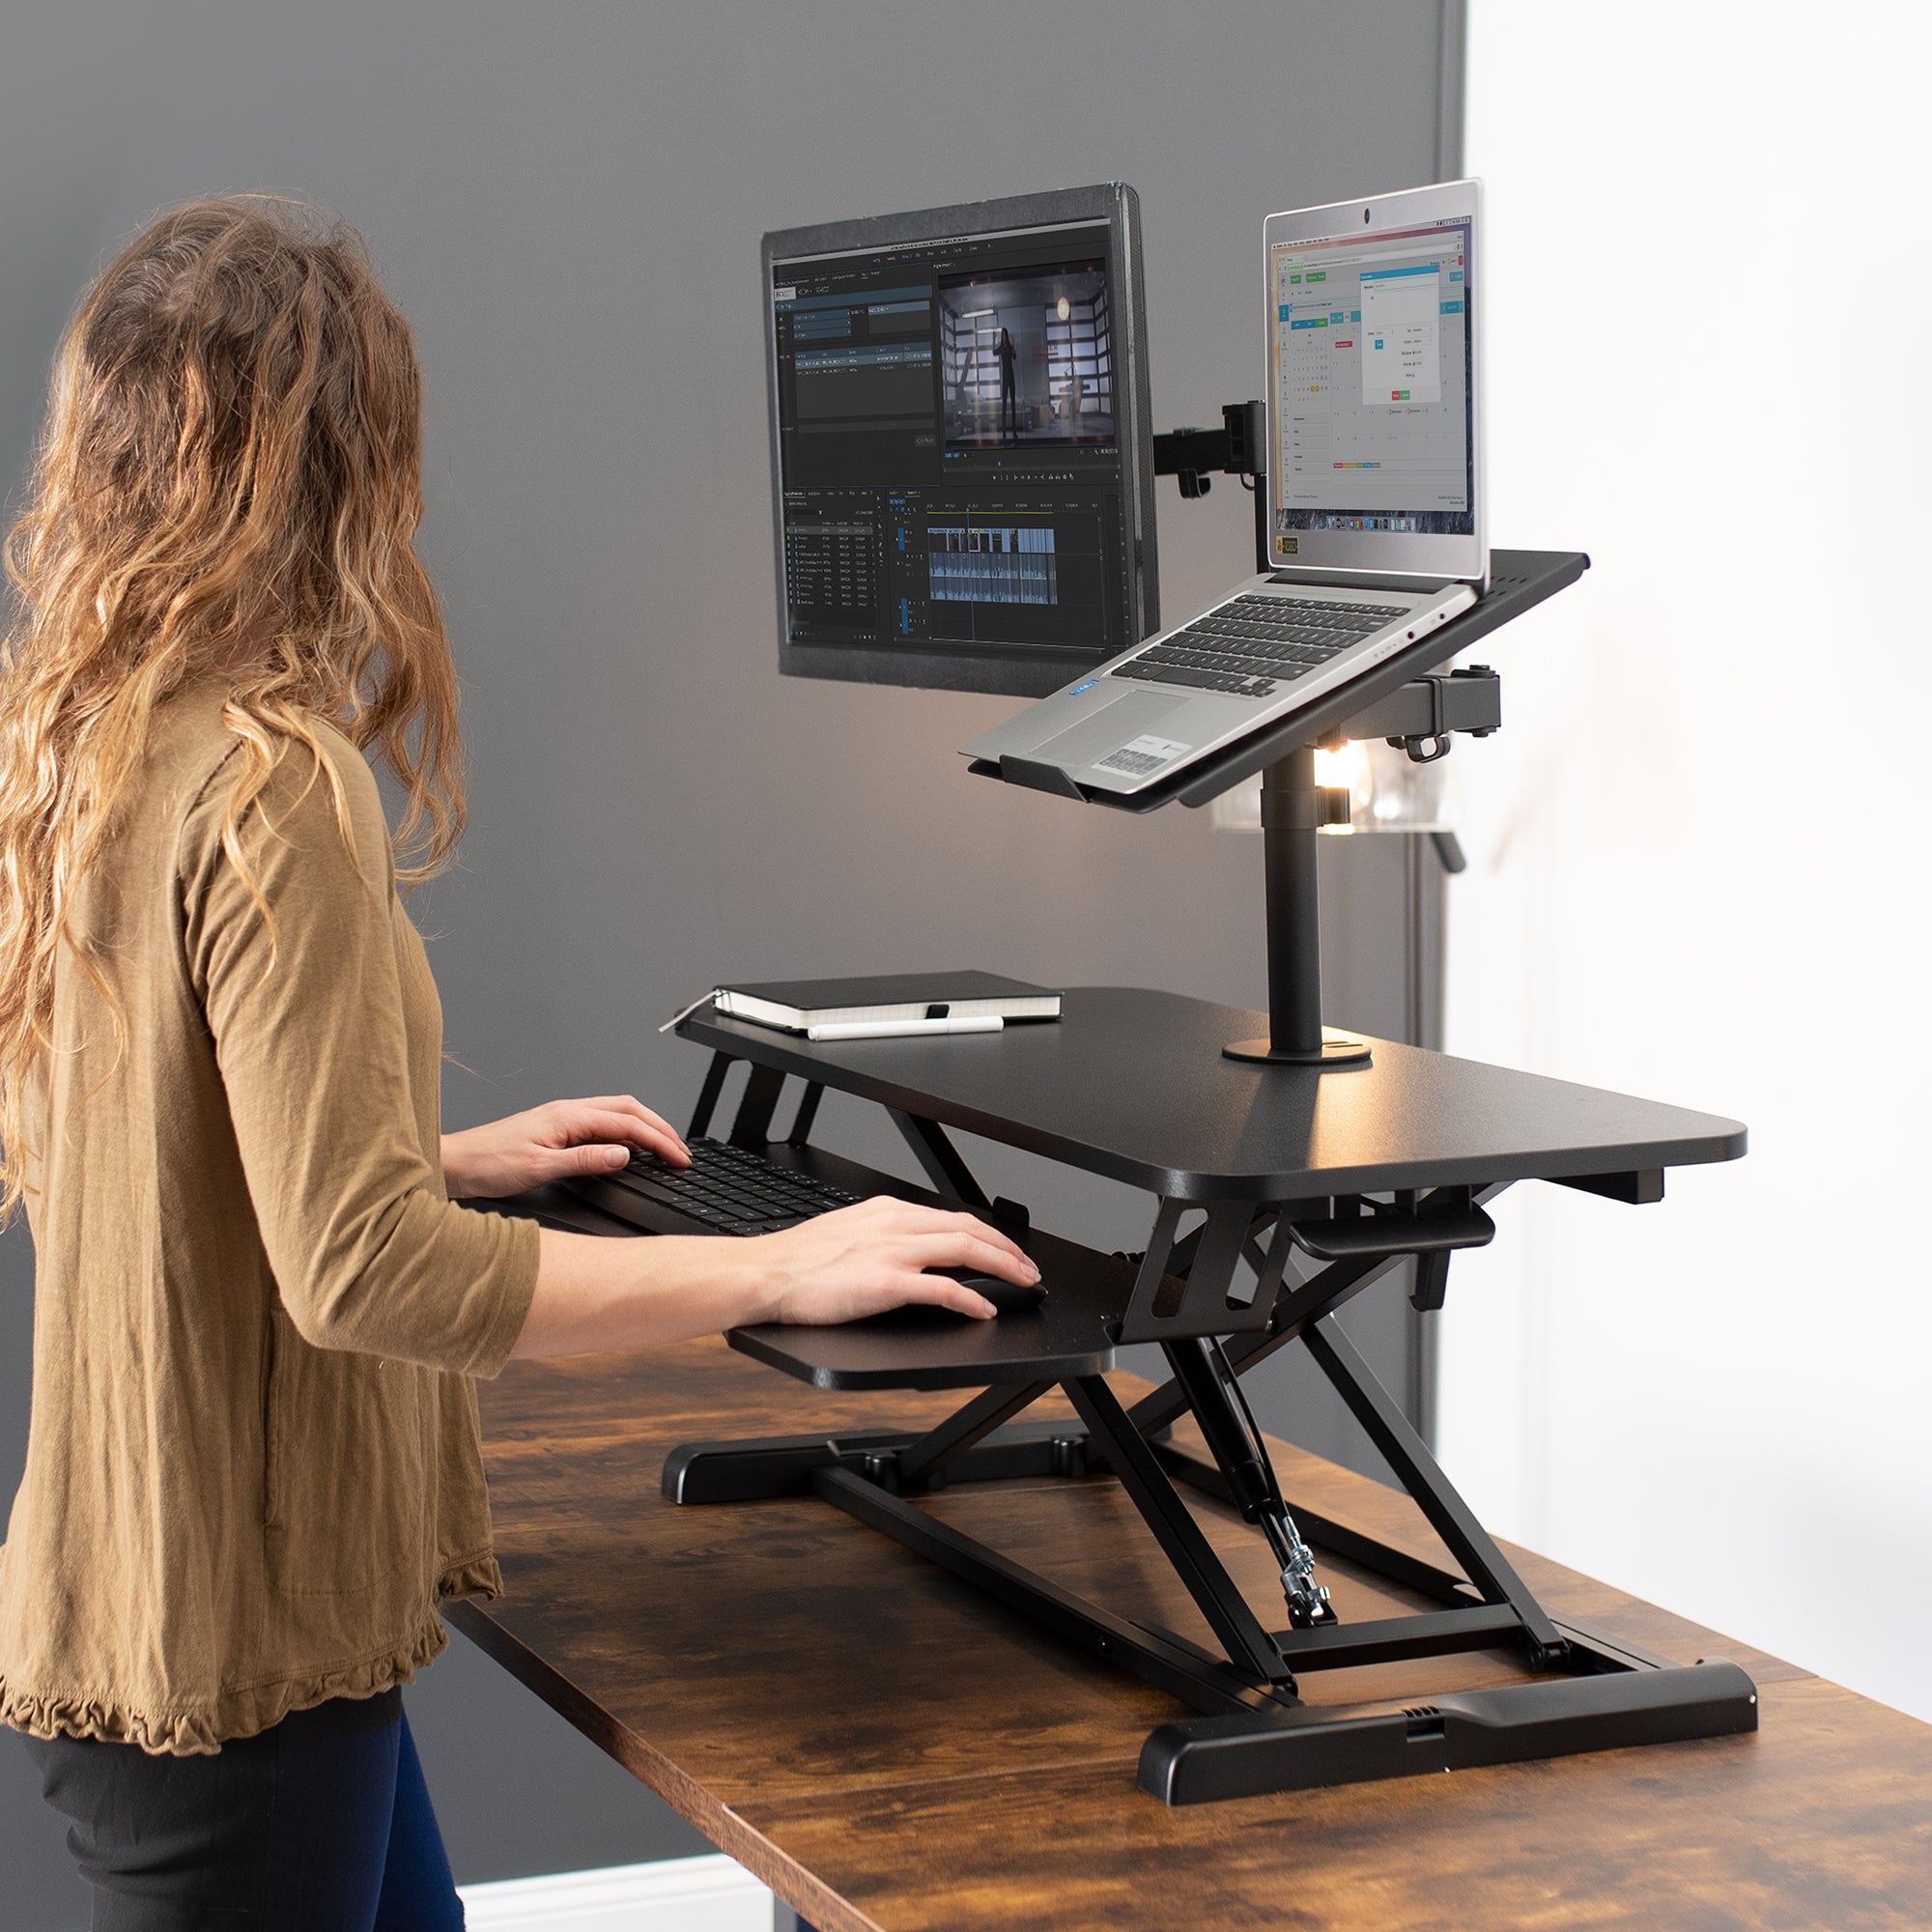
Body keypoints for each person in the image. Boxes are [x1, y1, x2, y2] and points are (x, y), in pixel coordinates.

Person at [0, 196, 1037, 1930]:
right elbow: (356, 1272)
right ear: (347, 464)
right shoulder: (274, 784)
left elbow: (141, 1125)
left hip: (157, 1603)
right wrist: (776, 1264)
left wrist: (442, 1155)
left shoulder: (87, 738)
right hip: (238, 1661)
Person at [995, 324, 1018, 439]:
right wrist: (993, 339)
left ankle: (1014, 430)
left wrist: (1013, 346)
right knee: (1004, 403)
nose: (1004, 336)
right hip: (1005, 376)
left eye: (1005, 335)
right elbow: (994, 353)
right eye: (1002, 335)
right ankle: (1004, 430)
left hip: (1011, 376)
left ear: (1007, 336)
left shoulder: (1009, 346)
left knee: (1013, 403)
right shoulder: (1001, 348)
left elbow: (1014, 357)